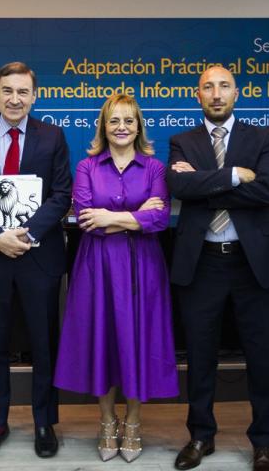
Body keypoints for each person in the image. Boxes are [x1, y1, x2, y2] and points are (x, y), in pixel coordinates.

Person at [167, 65, 269, 471]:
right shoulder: (182, 141)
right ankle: (201, 436)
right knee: (201, 356)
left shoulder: (263, 137)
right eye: (208, 87)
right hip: (202, 263)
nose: (216, 94)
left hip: (253, 263)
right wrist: (235, 176)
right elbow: (179, 188)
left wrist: (208, 184)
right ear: (196, 95)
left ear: (237, 93)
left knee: (262, 356)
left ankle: (264, 443)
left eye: (224, 86)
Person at [0, 61, 72, 458]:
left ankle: (44, 422)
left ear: (34, 96)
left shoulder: (52, 137)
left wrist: (28, 234)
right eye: (8, 90)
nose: (15, 99)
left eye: (23, 92)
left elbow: (62, 194)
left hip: (39, 258)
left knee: (44, 344)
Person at [54, 93, 177, 463]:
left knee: (138, 340)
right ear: (103, 127)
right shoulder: (87, 167)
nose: (121, 127)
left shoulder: (155, 168)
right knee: (102, 339)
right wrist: (134, 216)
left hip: (143, 267)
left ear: (138, 126)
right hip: (99, 266)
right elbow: (86, 220)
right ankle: (107, 420)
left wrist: (112, 217)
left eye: (128, 120)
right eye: (114, 120)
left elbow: (160, 218)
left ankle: (134, 421)